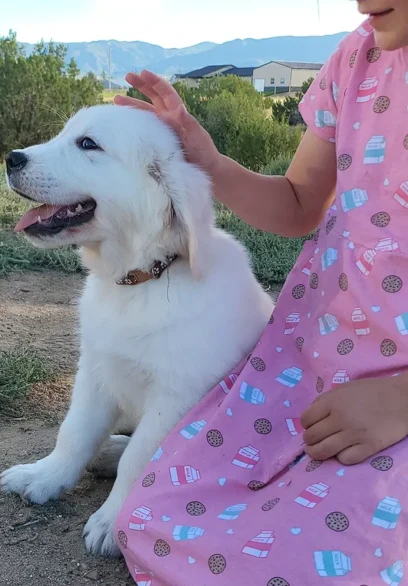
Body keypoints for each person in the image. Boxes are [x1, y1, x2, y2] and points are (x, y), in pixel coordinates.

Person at [113, 2, 408, 584]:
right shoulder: (360, 55)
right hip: (316, 360)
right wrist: (210, 164)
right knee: (150, 515)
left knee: (314, 566)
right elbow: (300, 203)